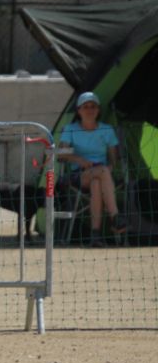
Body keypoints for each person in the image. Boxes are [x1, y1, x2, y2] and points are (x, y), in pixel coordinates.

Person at [56, 91, 128, 247]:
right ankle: (115, 216)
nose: (90, 110)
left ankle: (94, 236)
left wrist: (110, 166)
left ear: (98, 110)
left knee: (97, 182)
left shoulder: (107, 130)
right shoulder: (70, 129)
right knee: (101, 173)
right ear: (79, 110)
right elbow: (61, 155)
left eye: (93, 106)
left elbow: (113, 159)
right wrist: (78, 159)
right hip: (79, 175)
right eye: (86, 107)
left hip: (101, 174)